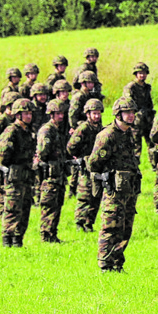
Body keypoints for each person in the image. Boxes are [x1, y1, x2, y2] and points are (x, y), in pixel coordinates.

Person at [89, 97, 141, 272]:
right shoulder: (107, 135)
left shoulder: (128, 134)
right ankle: (105, 265)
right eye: (127, 112)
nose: (131, 115)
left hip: (129, 189)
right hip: (114, 190)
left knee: (126, 228)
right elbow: (93, 163)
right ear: (118, 114)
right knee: (111, 227)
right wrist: (108, 175)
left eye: (133, 112)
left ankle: (117, 264)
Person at [0, 98, 38, 248]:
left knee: (25, 207)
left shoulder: (28, 132)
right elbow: (3, 154)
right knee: (12, 208)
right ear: (18, 115)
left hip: (26, 175)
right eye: (25, 114)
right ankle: (7, 239)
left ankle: (18, 239)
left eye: (30, 113)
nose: (29, 116)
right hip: (15, 175)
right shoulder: (11, 131)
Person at [34, 99, 70, 243]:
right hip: (49, 174)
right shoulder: (47, 130)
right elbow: (43, 152)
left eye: (62, 113)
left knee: (57, 204)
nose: (60, 116)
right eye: (57, 113)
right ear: (51, 114)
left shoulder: (58, 130)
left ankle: (52, 234)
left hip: (58, 173)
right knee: (49, 205)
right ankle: (46, 234)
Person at [68, 99, 105, 231]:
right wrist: (81, 157)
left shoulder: (101, 128)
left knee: (96, 195)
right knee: (85, 195)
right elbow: (71, 146)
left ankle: (89, 223)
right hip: (85, 167)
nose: (97, 116)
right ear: (88, 114)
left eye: (98, 113)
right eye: (94, 113)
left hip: (97, 166)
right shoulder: (83, 128)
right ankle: (80, 222)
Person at [123, 62, 155, 156]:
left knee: (152, 143)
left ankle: (154, 165)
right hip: (136, 120)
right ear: (136, 74)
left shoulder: (147, 87)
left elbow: (149, 103)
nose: (142, 75)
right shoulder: (131, 87)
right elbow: (127, 104)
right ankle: (134, 167)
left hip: (147, 119)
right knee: (136, 146)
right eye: (140, 73)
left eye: (144, 73)